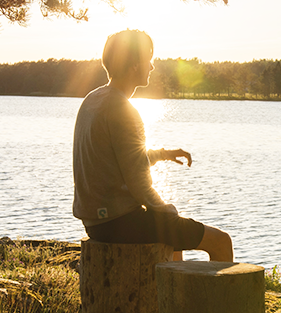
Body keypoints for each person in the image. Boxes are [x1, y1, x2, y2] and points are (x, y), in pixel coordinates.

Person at [73, 29, 233, 262]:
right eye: (149, 59)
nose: (152, 66)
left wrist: (161, 154)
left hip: (94, 222)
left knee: (173, 240)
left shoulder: (93, 99)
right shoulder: (123, 109)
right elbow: (140, 184)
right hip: (120, 222)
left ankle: (174, 297)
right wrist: (168, 211)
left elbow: (117, 160)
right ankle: (222, 299)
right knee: (220, 241)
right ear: (135, 65)